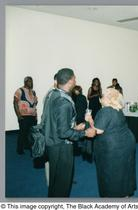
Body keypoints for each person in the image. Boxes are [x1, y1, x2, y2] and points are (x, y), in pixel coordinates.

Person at [44, 68, 96, 197]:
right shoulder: (64, 102)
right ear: (70, 81)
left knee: (55, 183)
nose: (76, 80)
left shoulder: (52, 94)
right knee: (62, 185)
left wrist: (74, 127)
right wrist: (84, 133)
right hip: (61, 147)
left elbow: (55, 121)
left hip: (51, 141)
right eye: (74, 78)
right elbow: (63, 132)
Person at [89, 88, 136, 197]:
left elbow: (98, 131)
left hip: (113, 147)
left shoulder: (105, 110)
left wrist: (90, 120)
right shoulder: (118, 108)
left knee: (112, 173)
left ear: (108, 99)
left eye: (102, 96)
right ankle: (125, 195)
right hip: (126, 143)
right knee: (124, 171)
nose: (100, 99)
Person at [13, 76, 38, 155]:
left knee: (32, 133)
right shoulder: (19, 91)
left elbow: (34, 104)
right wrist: (18, 115)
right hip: (23, 116)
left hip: (32, 116)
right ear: (25, 82)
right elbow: (15, 103)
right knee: (23, 133)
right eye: (29, 81)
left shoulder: (33, 92)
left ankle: (29, 147)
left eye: (32, 81)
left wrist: (36, 115)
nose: (31, 83)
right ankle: (19, 149)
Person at [72, 85, 88, 156]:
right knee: (82, 132)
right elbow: (85, 106)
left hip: (77, 117)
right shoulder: (83, 97)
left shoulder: (73, 98)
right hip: (82, 116)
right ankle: (82, 149)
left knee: (77, 132)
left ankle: (78, 149)